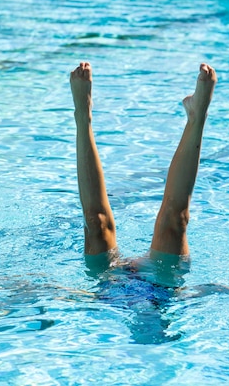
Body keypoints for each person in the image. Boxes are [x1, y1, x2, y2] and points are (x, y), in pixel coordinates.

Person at [70, 61, 217, 278]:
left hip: (109, 285)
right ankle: (197, 115)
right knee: (175, 220)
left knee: (96, 222)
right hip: (162, 282)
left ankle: (82, 114)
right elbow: (212, 290)